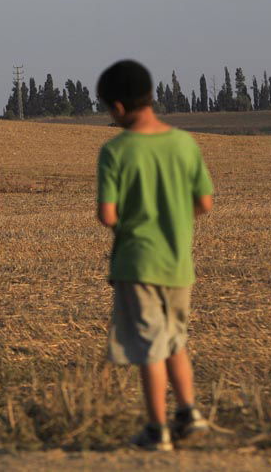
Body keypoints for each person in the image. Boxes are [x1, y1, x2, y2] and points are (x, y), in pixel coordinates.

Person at [96, 60, 213, 451]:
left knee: (149, 347)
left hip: (137, 264)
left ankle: (156, 428)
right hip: (178, 264)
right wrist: (174, 218)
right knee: (176, 340)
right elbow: (205, 202)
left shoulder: (115, 151)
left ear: (117, 107)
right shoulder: (185, 143)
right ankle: (190, 413)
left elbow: (107, 214)